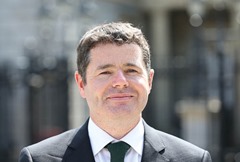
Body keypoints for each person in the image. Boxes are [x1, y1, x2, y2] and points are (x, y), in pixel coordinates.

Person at [19, 22, 212, 162]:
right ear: (81, 84)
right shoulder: (37, 158)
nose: (120, 82)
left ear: (150, 80)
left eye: (131, 70)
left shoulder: (193, 159)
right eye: (105, 72)